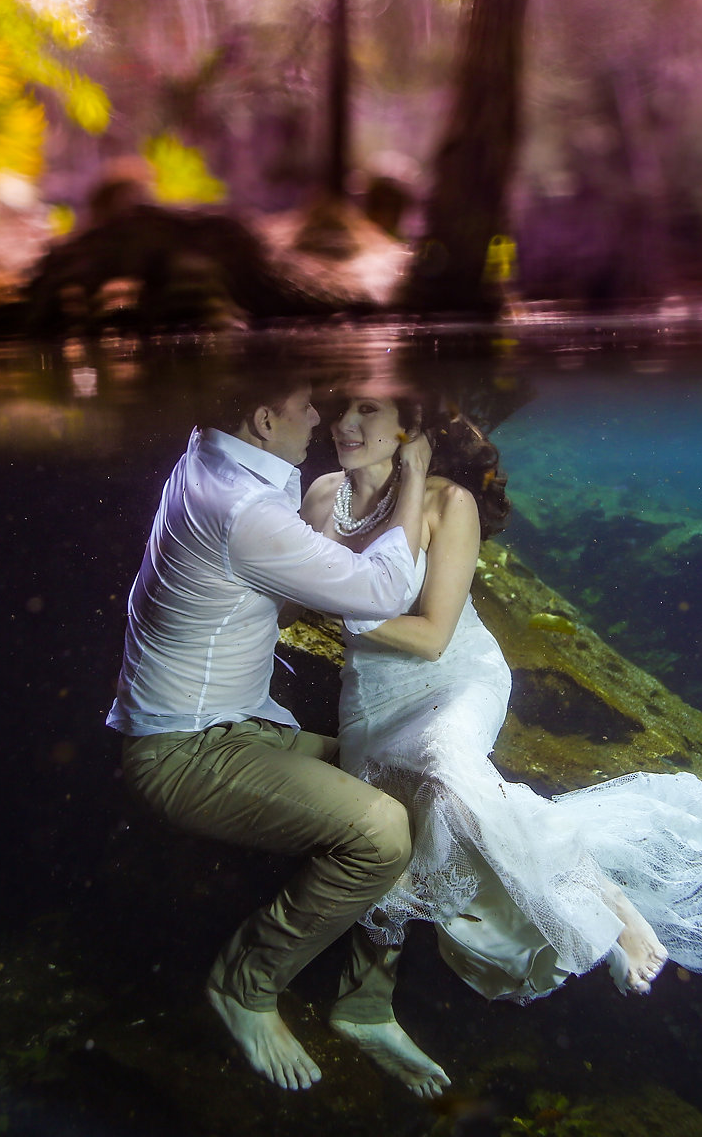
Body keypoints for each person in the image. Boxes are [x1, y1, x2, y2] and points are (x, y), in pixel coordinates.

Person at [299, 383, 702, 1058]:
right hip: (370, 696)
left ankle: (597, 912)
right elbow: (285, 595)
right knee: (396, 837)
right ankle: (366, 1006)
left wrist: (337, 602)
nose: (345, 423)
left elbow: (433, 636)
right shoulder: (322, 498)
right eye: (342, 408)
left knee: (443, 766)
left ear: (410, 429)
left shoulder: (447, 501)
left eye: (367, 411)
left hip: (455, 679)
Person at [107, 364, 448, 1094]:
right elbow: (385, 590)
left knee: (421, 792)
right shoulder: (242, 508)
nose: (322, 419)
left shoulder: (211, 455)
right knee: (380, 830)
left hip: (243, 726)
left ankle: (364, 1004)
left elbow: (271, 583)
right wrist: (413, 475)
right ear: (263, 421)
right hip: (186, 753)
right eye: (306, 406)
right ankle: (244, 985)